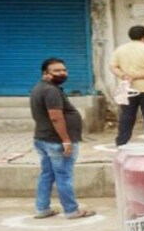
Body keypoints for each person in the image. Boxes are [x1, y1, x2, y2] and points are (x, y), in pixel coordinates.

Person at [29, 58, 95, 220]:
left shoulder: (40, 88)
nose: (62, 73)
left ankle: (42, 208)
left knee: (47, 174)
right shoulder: (51, 91)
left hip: (43, 139)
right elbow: (56, 117)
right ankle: (72, 210)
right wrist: (66, 140)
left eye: (64, 70)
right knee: (64, 176)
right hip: (56, 142)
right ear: (46, 73)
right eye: (57, 70)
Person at [110, 25, 144, 147]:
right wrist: (138, 76)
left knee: (127, 116)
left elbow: (113, 66)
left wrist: (124, 75)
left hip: (127, 88)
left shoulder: (120, 50)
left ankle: (121, 142)